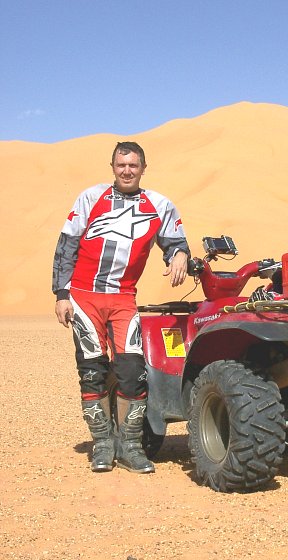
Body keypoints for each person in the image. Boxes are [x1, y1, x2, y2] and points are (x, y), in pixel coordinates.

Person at [52, 141, 190, 474]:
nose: (127, 170)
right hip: (84, 297)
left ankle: (131, 447)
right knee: (92, 372)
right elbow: (66, 244)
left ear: (144, 167)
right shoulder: (90, 197)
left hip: (123, 299)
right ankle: (102, 446)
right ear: (112, 167)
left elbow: (175, 242)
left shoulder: (159, 205)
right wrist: (61, 293)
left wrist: (180, 254)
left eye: (133, 165)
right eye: (120, 165)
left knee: (132, 372)